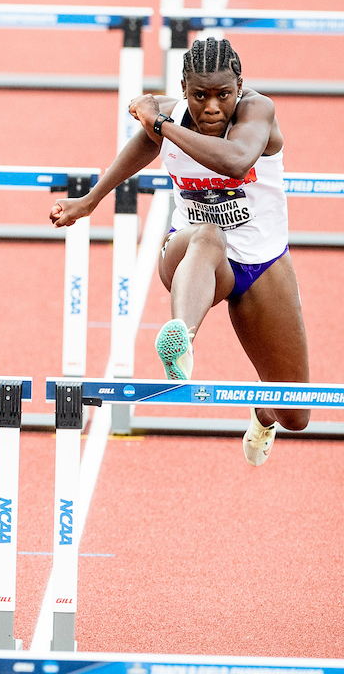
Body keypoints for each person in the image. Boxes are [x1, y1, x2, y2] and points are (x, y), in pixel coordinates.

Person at [50, 37, 309, 466]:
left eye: (223, 95)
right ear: (184, 88)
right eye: (199, 96)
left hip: (263, 262)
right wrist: (91, 200)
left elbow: (236, 162)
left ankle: (264, 413)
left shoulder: (257, 111)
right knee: (209, 234)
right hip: (192, 254)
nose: (211, 108)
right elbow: (144, 147)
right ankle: (181, 339)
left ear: (239, 87)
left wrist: (163, 124)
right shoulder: (169, 114)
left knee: (296, 414)